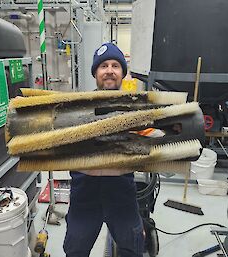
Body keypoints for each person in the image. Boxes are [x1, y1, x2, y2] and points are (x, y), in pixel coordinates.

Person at [63, 42, 145, 257]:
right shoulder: (77, 109)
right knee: (75, 249)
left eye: (115, 66)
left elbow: (153, 140)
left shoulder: (134, 110)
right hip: (84, 193)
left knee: (132, 248)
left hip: (121, 193)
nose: (109, 70)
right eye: (104, 66)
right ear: (95, 73)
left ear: (122, 74)